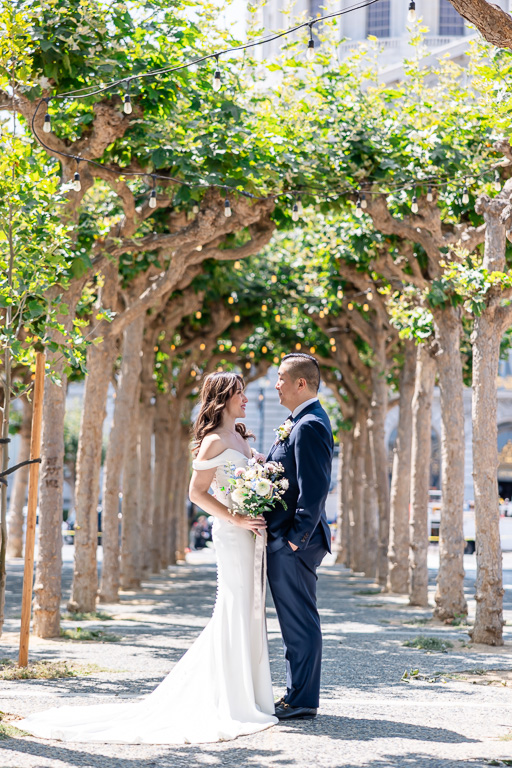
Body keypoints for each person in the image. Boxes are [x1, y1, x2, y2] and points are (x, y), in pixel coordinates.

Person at [18, 372, 277, 744]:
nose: (246, 399)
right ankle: (231, 698)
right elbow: (196, 493)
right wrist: (235, 516)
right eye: (240, 394)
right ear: (223, 398)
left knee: (250, 606)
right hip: (231, 532)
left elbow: (250, 471)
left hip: (249, 532)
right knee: (234, 605)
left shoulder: (237, 432)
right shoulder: (214, 441)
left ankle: (248, 693)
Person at [266, 353, 334, 721]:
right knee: (294, 620)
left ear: (300, 384)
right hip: (289, 540)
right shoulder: (300, 420)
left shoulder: (308, 424)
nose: (276, 384)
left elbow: (315, 489)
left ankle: (302, 698)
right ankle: (297, 693)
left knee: (299, 621)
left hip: (296, 543)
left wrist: (295, 539)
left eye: (280, 378)